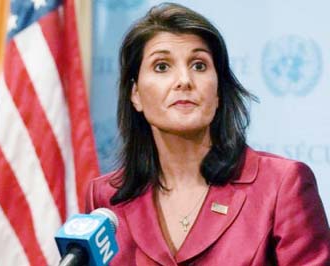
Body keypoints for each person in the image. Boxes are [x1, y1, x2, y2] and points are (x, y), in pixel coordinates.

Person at [86, 3, 330, 265]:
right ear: (135, 94)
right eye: (161, 66)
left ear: (218, 93)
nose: (184, 80)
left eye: (199, 65)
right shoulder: (106, 197)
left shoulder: (282, 185)